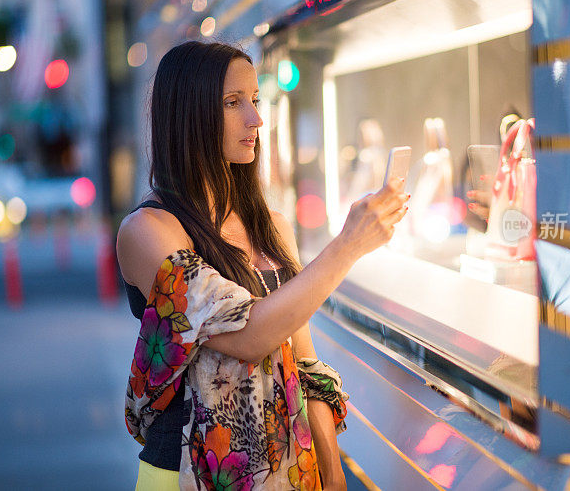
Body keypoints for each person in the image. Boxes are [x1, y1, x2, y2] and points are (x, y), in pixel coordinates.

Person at [116, 40, 409, 490]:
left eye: (255, 100)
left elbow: (306, 365)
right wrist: (348, 245)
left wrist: (331, 472)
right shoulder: (148, 230)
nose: (255, 119)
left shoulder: (269, 224)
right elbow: (250, 334)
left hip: (286, 472)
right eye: (233, 103)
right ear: (189, 114)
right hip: (184, 473)